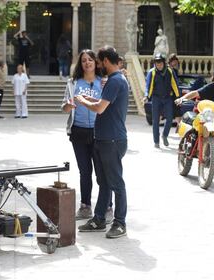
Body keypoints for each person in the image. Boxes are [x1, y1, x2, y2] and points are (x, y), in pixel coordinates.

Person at [75, 46, 129, 239]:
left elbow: (99, 108)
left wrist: (82, 101)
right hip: (105, 138)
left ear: (106, 60)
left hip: (112, 139)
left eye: (98, 62)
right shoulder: (115, 80)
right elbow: (103, 101)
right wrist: (88, 98)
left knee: (116, 182)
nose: (97, 65)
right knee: (104, 182)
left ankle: (120, 222)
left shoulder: (115, 81)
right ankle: (99, 219)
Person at [61, 49, 113, 223]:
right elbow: (64, 107)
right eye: (84, 60)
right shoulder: (73, 83)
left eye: (90, 60)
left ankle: (107, 206)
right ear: (80, 64)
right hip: (78, 132)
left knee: (102, 172)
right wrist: (69, 105)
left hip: (100, 133)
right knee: (85, 171)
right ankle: (85, 206)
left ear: (95, 62)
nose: (87, 63)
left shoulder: (104, 82)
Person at [143, 53, 180, 148]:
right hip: (156, 98)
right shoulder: (152, 72)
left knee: (170, 118)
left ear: (164, 63)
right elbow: (148, 86)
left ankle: (165, 135)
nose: (158, 65)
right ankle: (156, 141)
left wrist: (178, 97)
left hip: (167, 98)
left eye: (160, 63)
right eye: (156, 63)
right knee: (155, 120)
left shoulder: (170, 71)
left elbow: (175, 85)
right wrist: (147, 96)